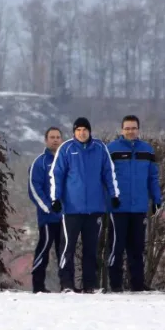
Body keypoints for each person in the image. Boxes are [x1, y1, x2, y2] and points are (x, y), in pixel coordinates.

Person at [49, 117, 120, 293]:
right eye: (78, 130)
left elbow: (108, 173)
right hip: (72, 208)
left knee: (91, 249)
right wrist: (55, 199)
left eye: (85, 130)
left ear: (90, 131)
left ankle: (90, 284)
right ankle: (67, 284)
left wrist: (114, 194)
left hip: (95, 208)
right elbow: (56, 175)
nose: (82, 133)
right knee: (68, 248)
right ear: (74, 132)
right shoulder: (66, 149)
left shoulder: (100, 148)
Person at [106, 115, 162, 292]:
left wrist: (157, 200)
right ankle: (115, 285)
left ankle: (137, 285)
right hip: (118, 207)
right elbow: (105, 176)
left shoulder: (147, 150)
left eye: (134, 128)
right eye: (127, 128)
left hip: (139, 207)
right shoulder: (111, 149)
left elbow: (153, 177)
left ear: (138, 129)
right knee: (116, 247)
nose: (131, 131)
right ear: (122, 130)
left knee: (137, 248)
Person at [28, 127, 63, 293]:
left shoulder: (67, 160)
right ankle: (38, 285)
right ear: (46, 140)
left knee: (64, 251)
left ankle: (67, 285)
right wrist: (48, 208)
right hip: (48, 217)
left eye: (58, 137)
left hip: (66, 216)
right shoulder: (39, 162)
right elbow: (34, 188)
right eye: (52, 137)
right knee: (44, 248)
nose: (55, 140)